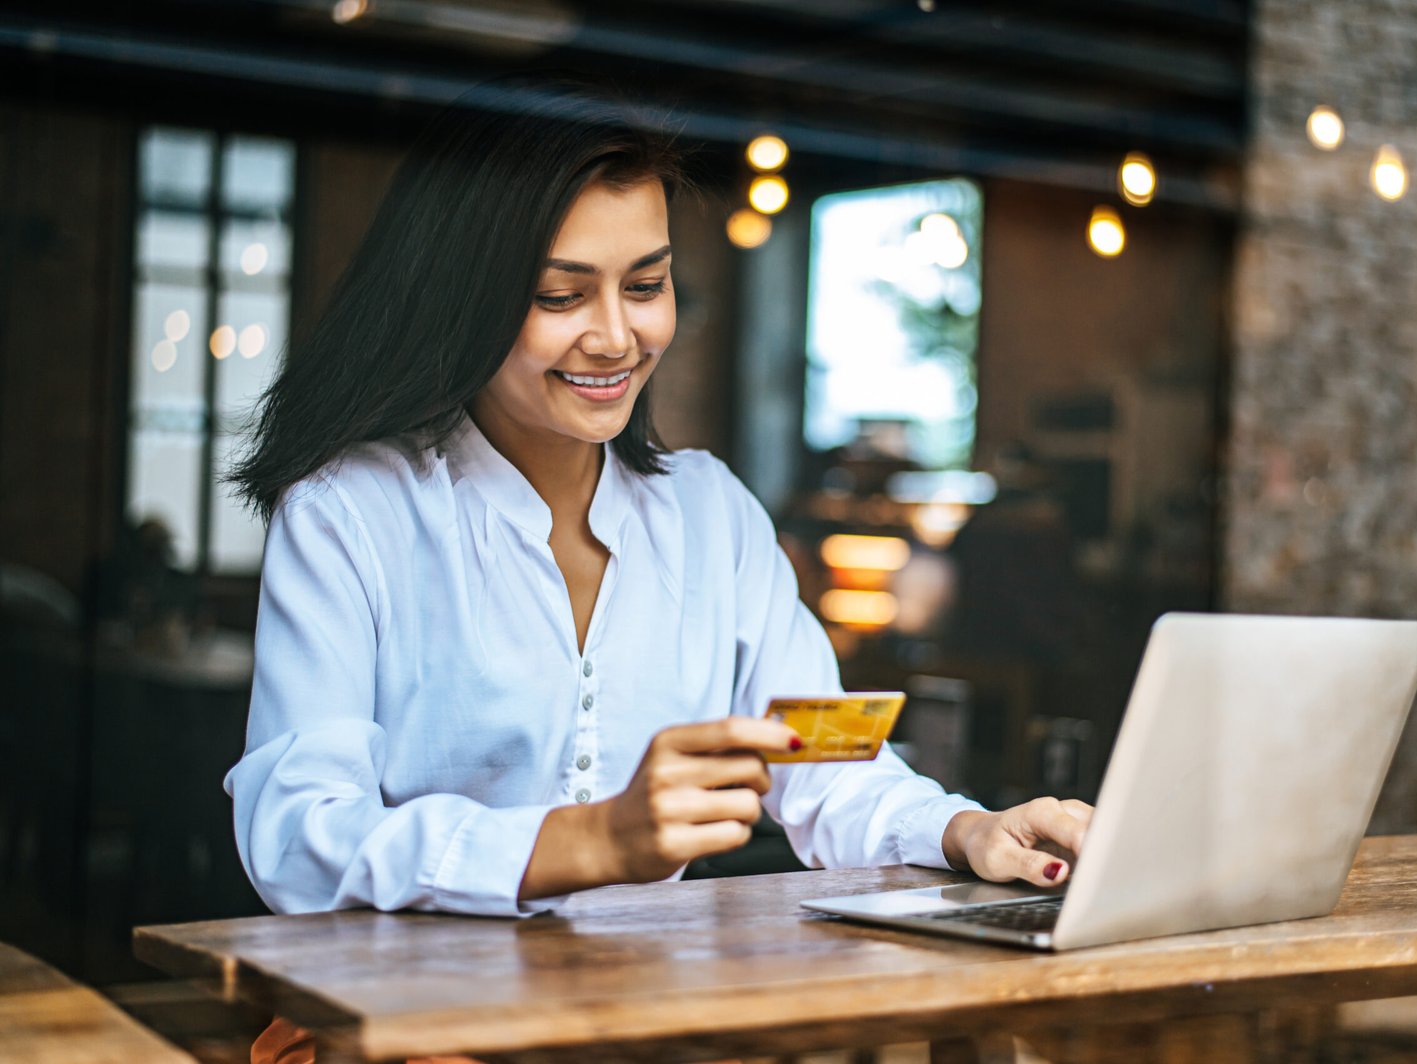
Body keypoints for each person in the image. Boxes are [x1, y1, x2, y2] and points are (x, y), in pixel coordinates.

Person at [226, 80, 1089, 941]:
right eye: (560, 296)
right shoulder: (351, 515)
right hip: (411, 1003)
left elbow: (825, 762)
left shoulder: (712, 516)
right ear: (462, 297)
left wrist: (965, 830)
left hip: (640, 998)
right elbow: (299, 835)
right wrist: (593, 840)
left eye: (645, 285)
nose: (615, 337)